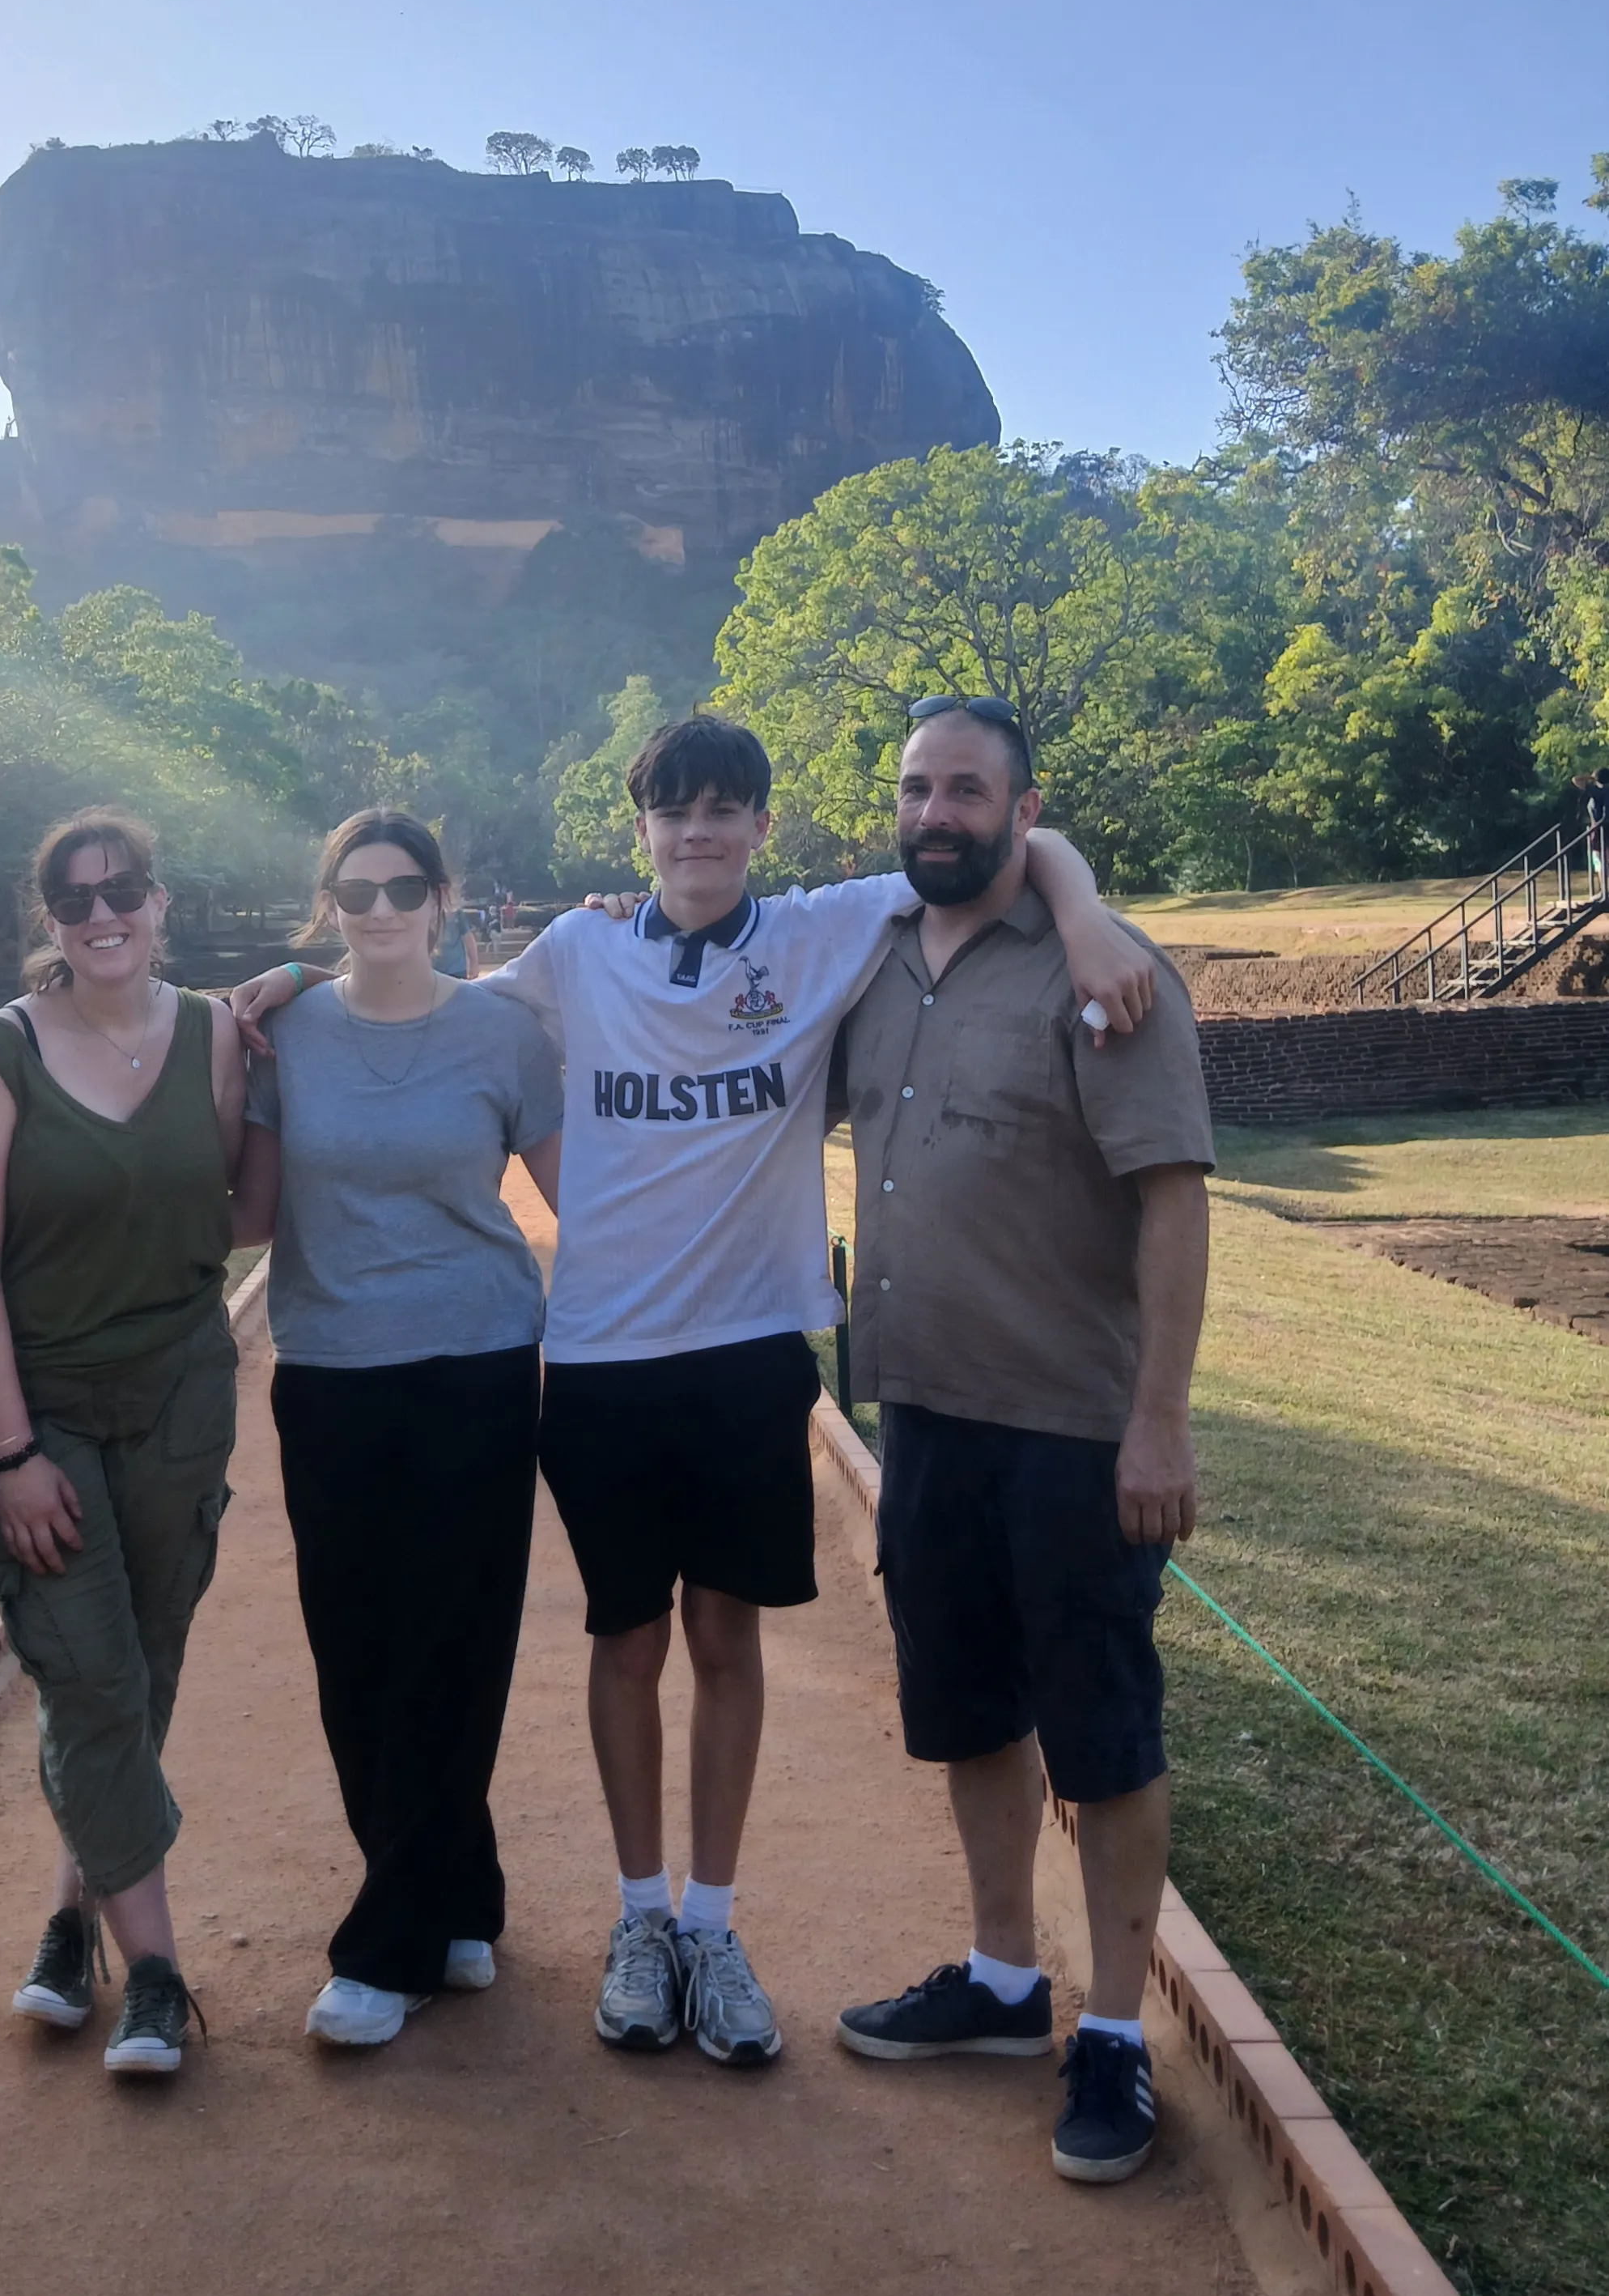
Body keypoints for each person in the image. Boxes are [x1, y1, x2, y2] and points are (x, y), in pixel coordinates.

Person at [239, 711, 1153, 2071]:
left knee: (728, 1643)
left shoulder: (819, 933)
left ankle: (714, 1928)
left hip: (747, 1354)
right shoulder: (578, 949)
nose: (700, 833)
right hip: (603, 1356)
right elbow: (410, 988)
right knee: (626, 1642)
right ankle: (641, 1919)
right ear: (644, 829)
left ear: (763, 827)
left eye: (726, 809)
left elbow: (1009, 835)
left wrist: (1086, 920)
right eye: (675, 812)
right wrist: (285, 982)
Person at [832, 701, 1212, 2186]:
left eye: (967, 790)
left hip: (1070, 1424)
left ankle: (1112, 2030)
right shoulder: (872, 960)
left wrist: (1159, 1420)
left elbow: (1175, 1199)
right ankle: (1003, 1978)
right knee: (970, 1708)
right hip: (924, 1409)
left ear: (1022, 806)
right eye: (916, 786)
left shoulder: (1104, 975)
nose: (935, 811)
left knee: (1103, 1733)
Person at [227, 810, 564, 2048]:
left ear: (443, 897)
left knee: (454, 1640)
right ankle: (459, 1891)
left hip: (475, 1365)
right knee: (354, 1647)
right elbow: (252, 1219)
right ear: (328, 905)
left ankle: (386, 1944)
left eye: (402, 887)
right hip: (329, 1371)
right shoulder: (282, 1035)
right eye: (354, 891)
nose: (379, 909)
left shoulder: (502, 1032)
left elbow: (576, 1195)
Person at [0, 809, 247, 2079]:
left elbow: (231, 1212)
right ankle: (160, 1975)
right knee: (89, 1674)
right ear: (50, 922)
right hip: (41, 1410)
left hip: (178, 1389)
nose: (101, 912)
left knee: (148, 1658)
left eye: (123, 888)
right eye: (75, 900)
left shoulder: (220, 1037)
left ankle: (73, 1917)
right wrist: (11, 1455)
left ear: (161, 900)